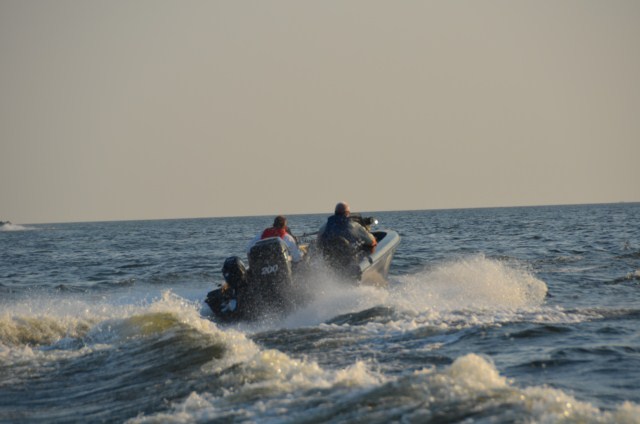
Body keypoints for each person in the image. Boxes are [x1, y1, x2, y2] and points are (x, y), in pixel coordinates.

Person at [317, 202, 377, 276]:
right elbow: (372, 241)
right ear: (347, 213)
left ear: (335, 213)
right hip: (349, 263)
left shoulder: (324, 227)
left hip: (329, 262)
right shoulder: (353, 226)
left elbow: (318, 244)